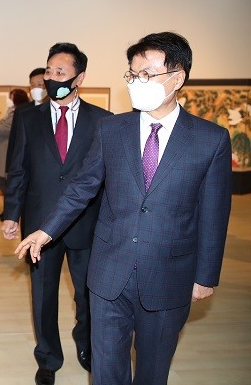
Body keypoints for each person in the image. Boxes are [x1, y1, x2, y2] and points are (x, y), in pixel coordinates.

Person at [12, 32, 232, 385]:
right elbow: (82, 187)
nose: (136, 82)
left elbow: (214, 215)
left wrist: (206, 275)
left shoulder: (210, 139)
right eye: (133, 74)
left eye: (147, 74)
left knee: (152, 371)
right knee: (106, 371)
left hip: (167, 276)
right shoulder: (111, 129)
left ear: (177, 78)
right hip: (108, 272)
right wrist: (46, 230)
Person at [2, 43, 112, 385]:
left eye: (60, 72)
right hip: (39, 224)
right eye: (48, 71)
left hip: (86, 224)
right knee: (43, 295)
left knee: (88, 294)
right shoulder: (27, 117)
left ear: (79, 78)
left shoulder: (103, 120)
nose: (51, 77)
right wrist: (11, 214)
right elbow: (17, 169)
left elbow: (109, 178)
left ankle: (87, 344)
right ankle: (48, 357)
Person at [0, 88, 30, 219]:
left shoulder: (18, 114)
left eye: (11, 97)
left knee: (5, 183)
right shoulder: (11, 112)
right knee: (2, 183)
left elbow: (4, 129)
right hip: (3, 151)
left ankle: (10, 212)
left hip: (8, 152)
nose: (9, 100)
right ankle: (7, 210)